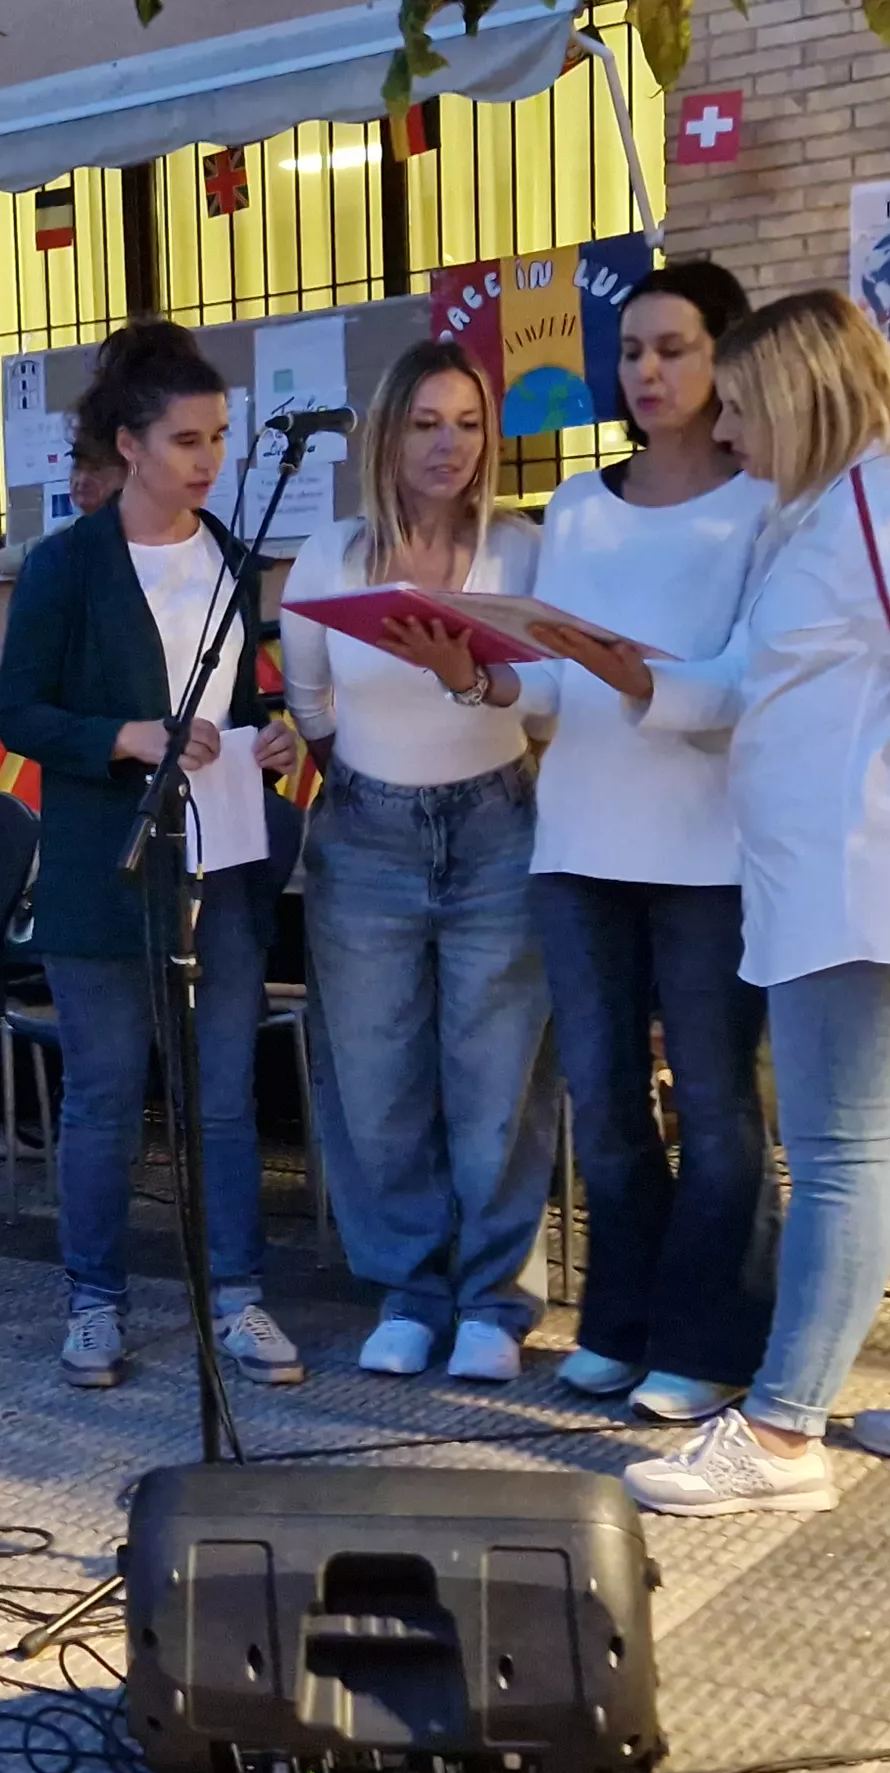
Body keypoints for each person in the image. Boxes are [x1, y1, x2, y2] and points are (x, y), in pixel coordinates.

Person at [534, 291, 890, 1516]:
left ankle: (781, 1435)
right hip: (858, 876)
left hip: (861, 875)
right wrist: (638, 677)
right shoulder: (836, 511)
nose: (726, 431)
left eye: (739, 405)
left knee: (837, 1155)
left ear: (795, 394)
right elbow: (747, 680)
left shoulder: (881, 508)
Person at [0, 321, 311, 1392]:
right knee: (103, 1096)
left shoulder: (231, 557)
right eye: (186, 439)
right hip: (110, 867)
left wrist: (269, 736)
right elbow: (20, 712)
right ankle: (94, 1300)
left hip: (225, 858)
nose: (208, 459)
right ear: (128, 445)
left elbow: (233, 698)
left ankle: (238, 1294)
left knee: (222, 1096)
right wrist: (122, 736)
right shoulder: (66, 565)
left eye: (219, 437)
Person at [496, 260, 780, 1421]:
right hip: (578, 841)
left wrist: (636, 676)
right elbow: (550, 681)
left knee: (713, 1107)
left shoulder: (765, 502)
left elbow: (748, 683)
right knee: (604, 1106)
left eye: (674, 349)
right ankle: (619, 1323)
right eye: (630, 352)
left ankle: (710, 1340)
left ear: (728, 359)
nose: (647, 372)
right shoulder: (574, 505)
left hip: (709, 848)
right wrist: (481, 677)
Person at [276, 339, 554, 1385]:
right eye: (428, 424)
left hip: (497, 827)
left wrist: (477, 699)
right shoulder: (331, 555)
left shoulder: (521, 552)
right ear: (388, 435)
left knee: (497, 1080)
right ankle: (408, 1289)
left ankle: (492, 1300)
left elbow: (552, 698)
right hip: (366, 833)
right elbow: (307, 697)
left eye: (469, 424)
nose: (450, 446)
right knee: (377, 1076)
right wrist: (361, 780)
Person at [0, 448, 125, 577]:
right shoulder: (81, 524)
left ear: (123, 475)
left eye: (96, 469)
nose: (82, 480)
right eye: (77, 467)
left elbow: (33, 554)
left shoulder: (117, 524)